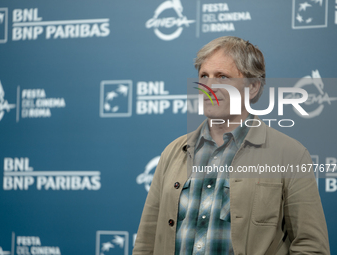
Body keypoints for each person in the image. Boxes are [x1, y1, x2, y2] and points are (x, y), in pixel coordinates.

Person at [133, 36, 330, 255]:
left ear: (253, 87)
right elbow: (146, 241)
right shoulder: (173, 152)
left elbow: (311, 246)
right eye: (204, 76)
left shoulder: (290, 154)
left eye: (222, 77)